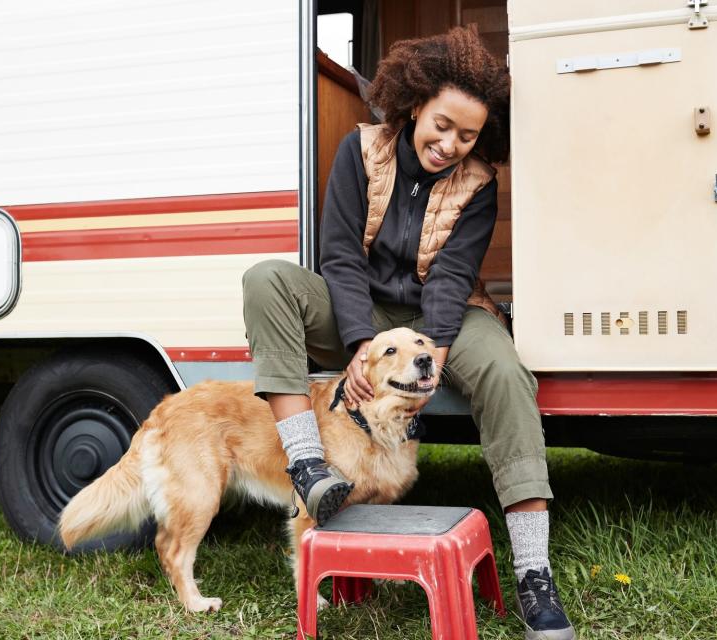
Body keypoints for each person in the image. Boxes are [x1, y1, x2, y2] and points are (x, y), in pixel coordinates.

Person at [242, 27, 576, 640]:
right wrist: (358, 349)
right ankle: (309, 469)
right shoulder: (359, 150)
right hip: (362, 312)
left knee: (505, 372)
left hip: (441, 316)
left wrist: (436, 347)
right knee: (267, 279)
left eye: (468, 135)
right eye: (441, 125)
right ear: (416, 104)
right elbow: (339, 257)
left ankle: (533, 571)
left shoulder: (479, 184)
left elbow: (452, 275)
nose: (450, 144)